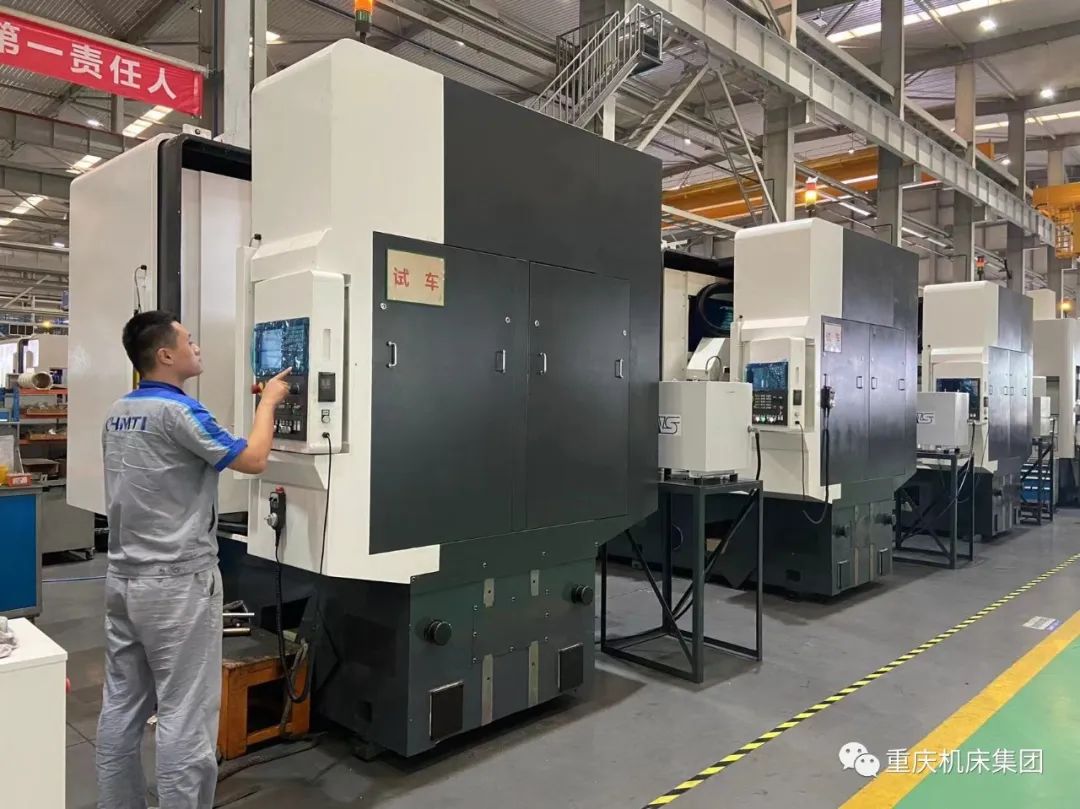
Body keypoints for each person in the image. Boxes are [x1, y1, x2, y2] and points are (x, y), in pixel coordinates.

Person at [96, 310, 291, 809]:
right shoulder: (181, 413)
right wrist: (269, 402)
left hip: (124, 578)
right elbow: (254, 459)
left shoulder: (118, 411)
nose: (197, 346)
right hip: (176, 584)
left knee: (122, 706)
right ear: (165, 354)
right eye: (189, 340)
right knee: (185, 713)